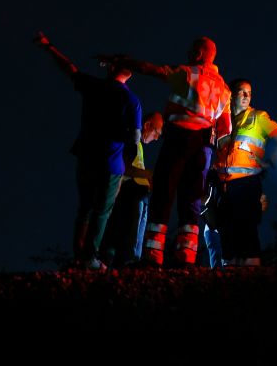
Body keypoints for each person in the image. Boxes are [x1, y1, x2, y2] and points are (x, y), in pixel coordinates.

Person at [108, 37, 231, 267]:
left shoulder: (188, 73)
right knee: (192, 199)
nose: (188, 53)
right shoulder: (224, 88)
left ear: (199, 53)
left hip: (179, 138)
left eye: (192, 50)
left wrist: (125, 62)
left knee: (164, 192)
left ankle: (153, 255)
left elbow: (153, 70)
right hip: (204, 147)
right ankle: (187, 255)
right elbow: (225, 129)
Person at [35, 32, 142, 270]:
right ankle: (90, 257)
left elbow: (69, 68)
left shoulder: (93, 86)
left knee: (84, 208)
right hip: (112, 162)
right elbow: (134, 139)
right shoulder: (131, 100)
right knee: (102, 211)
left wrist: (48, 47)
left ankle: (79, 254)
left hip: (86, 156)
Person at [207, 78, 277, 267]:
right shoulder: (222, 120)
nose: (246, 96)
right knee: (226, 229)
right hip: (223, 185)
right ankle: (229, 274)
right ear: (232, 94)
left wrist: (270, 162)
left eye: (249, 92)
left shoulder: (258, 117)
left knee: (247, 229)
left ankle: (252, 277)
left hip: (246, 183)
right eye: (242, 91)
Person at [101, 112, 163, 267]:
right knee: (127, 237)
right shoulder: (132, 142)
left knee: (135, 239)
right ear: (147, 125)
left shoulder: (139, 145)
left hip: (139, 196)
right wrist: (149, 174)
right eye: (156, 132)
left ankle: (131, 260)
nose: (156, 138)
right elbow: (125, 169)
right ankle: (125, 261)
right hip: (129, 195)